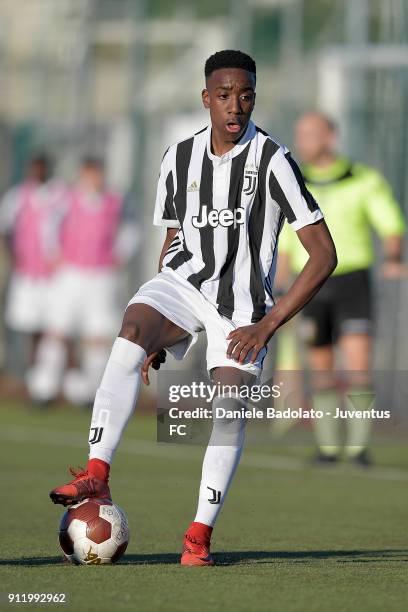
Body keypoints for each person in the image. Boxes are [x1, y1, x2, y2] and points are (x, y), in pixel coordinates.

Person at [49, 51, 336, 566]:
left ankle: (198, 536)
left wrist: (267, 324)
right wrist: (164, 328)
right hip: (182, 282)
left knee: (228, 413)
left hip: (244, 307)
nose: (235, 105)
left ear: (254, 98)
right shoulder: (177, 157)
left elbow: (323, 253)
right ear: (207, 98)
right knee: (133, 328)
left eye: (245, 95)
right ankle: (97, 471)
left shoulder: (273, 160)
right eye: (224, 95)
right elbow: (174, 238)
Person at [277, 111, 406, 466]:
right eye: (300, 134)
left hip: (352, 282)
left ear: (330, 137)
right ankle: (329, 446)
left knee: (358, 365)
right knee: (321, 369)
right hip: (311, 284)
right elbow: (287, 237)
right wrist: (281, 282)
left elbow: (390, 222)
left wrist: (394, 255)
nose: (303, 142)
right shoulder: (295, 183)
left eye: (311, 134)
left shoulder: (363, 179)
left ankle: (359, 447)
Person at [27, 158, 135, 406]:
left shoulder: (114, 201)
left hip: (101, 276)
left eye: (96, 174)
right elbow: (49, 225)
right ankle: (44, 388)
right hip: (71, 273)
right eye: (88, 174)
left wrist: (119, 255)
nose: (93, 180)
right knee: (57, 330)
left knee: (96, 335)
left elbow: (131, 230)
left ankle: (89, 392)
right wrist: (53, 253)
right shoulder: (67, 199)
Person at [0, 154, 66, 366]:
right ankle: (31, 368)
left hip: (54, 272)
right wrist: (12, 256)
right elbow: (5, 227)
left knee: (55, 323)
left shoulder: (61, 194)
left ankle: (49, 372)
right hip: (27, 271)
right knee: (28, 322)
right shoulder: (18, 195)